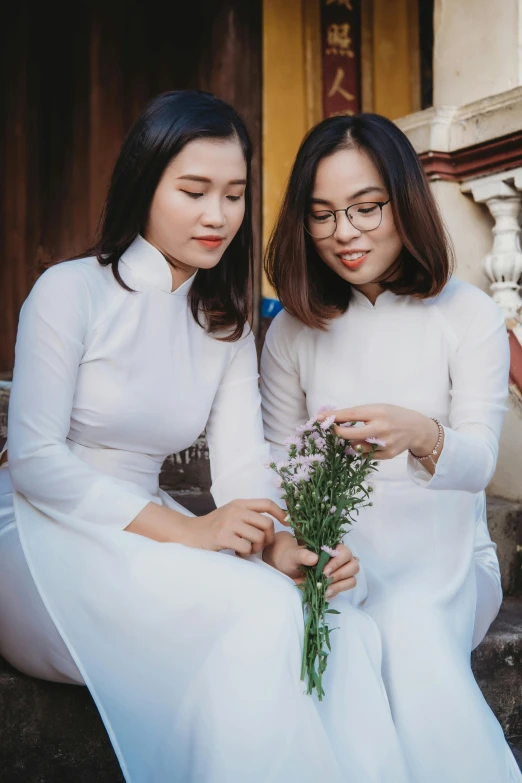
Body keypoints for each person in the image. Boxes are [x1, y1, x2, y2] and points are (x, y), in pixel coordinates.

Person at [0, 92, 410, 783]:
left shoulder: (220, 323)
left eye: (234, 194)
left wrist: (280, 542)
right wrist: (192, 532)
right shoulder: (69, 293)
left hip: (149, 540)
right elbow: (37, 463)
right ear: (144, 184)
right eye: (194, 191)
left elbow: (245, 468)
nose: (218, 215)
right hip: (40, 537)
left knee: (329, 618)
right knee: (259, 620)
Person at [261, 112, 521, 782]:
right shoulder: (292, 331)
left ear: (404, 202)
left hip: (446, 561)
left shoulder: (467, 314)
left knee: (406, 634)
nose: (343, 232)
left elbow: (479, 463)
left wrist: (424, 435)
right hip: (339, 552)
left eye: (367, 207)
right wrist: (301, 545)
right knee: (328, 637)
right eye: (322, 214)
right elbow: (276, 470)